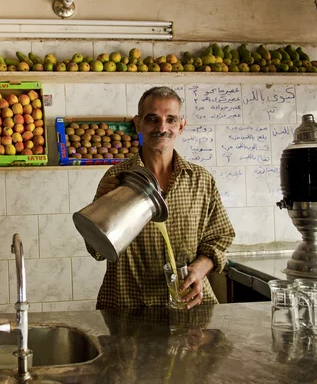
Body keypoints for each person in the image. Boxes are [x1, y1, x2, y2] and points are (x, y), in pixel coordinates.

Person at [86, 86, 235, 310]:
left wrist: (198, 270)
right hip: (128, 308)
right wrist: (101, 203)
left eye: (171, 119)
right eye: (152, 119)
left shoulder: (201, 180)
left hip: (189, 305)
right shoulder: (118, 179)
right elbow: (97, 251)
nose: (162, 127)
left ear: (181, 125)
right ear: (138, 123)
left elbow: (220, 239)